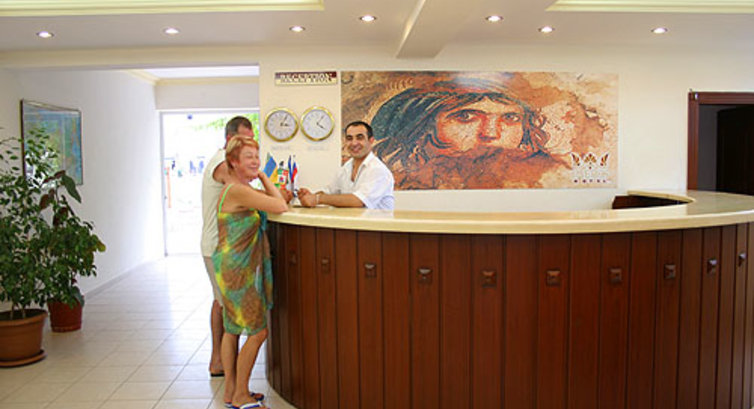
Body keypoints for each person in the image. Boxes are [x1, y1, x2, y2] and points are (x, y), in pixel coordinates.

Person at [370, 78, 564, 189]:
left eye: (510, 117)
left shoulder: (547, 174)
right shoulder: (392, 180)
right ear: (424, 127)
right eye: (466, 116)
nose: (490, 134)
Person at [213, 135, 288, 409]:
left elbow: (276, 201)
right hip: (238, 270)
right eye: (249, 157)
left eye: (257, 156)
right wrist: (266, 177)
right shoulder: (238, 190)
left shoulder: (238, 188)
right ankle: (241, 395)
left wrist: (261, 177)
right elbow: (280, 204)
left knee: (232, 328)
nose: (255, 161)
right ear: (233, 162)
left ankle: (231, 391)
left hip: (231, 265)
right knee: (257, 332)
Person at [201, 116, 254, 379]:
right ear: (229, 139)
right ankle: (227, 371)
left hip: (222, 247)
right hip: (218, 247)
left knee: (220, 303)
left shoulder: (227, 162)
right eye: (243, 140)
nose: (248, 146)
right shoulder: (222, 163)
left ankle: (218, 361)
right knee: (228, 309)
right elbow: (244, 191)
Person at [298, 121, 394, 210]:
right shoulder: (346, 167)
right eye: (349, 138)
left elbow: (358, 201)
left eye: (359, 138)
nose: (354, 143)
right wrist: (310, 196)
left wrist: (318, 199)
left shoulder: (378, 170)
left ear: (371, 141)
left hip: (375, 223)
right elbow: (329, 192)